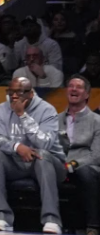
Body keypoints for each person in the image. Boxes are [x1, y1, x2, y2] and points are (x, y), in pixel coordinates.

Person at [0, 75, 64, 234]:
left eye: (19, 92)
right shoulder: (2, 109)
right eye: (11, 92)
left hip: (49, 165)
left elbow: (45, 144)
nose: (14, 96)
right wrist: (17, 147)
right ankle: (2, 216)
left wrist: (22, 115)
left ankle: (51, 219)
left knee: (42, 154)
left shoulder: (47, 110)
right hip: (16, 162)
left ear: (30, 93)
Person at [55, 75, 100, 235]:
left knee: (85, 172)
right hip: (60, 166)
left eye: (79, 87)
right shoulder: (56, 119)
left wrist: (72, 165)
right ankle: (50, 222)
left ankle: (92, 226)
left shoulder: (97, 121)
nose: (74, 89)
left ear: (87, 94)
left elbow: (96, 155)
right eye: (71, 86)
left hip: (86, 166)